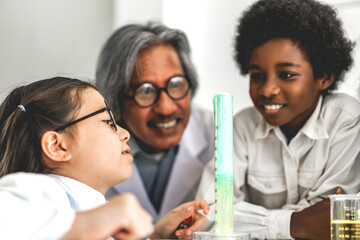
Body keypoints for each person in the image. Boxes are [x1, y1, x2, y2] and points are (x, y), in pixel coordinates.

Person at [196, 0, 360, 239]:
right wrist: (294, 223)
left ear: (324, 76)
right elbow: (207, 214)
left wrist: (248, 219)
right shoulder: (241, 127)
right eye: (257, 76)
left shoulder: (347, 121)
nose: (267, 89)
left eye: (287, 75)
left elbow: (331, 219)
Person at [0, 77, 209, 239]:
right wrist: (91, 223)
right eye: (108, 122)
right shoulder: (45, 190)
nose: (125, 133)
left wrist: (156, 237)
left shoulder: (92, 207)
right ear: (57, 146)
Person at [96, 22, 214, 222]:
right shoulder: (89, 148)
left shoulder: (217, 133)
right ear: (116, 102)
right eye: (146, 91)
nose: (166, 108)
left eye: (176, 84)